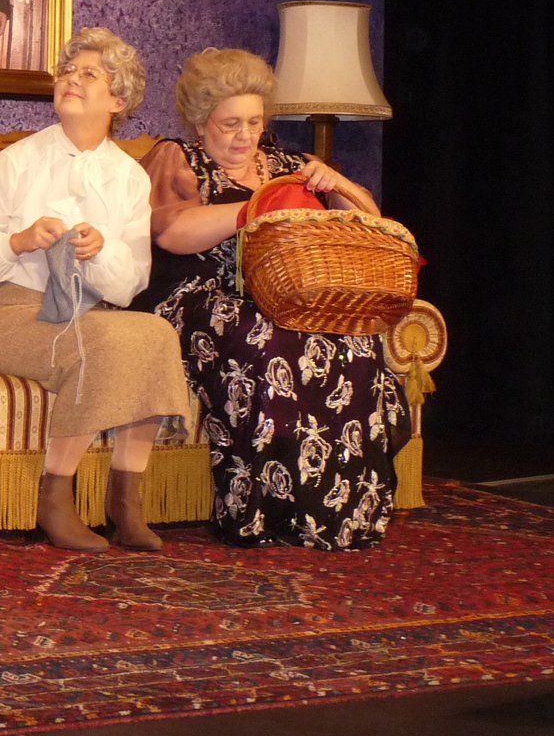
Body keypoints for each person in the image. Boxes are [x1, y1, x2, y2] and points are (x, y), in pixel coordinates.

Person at [135, 48, 408, 550]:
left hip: (286, 295)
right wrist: (255, 209)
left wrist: (339, 184)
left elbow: (372, 225)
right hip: (199, 296)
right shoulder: (179, 157)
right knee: (264, 334)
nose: (245, 136)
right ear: (201, 121)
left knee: (356, 339)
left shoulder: (290, 163)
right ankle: (266, 511)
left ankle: (341, 512)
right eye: (230, 124)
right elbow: (171, 233)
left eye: (254, 122)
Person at [0, 28, 189, 551]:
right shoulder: (16, 160)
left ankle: (126, 501)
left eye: (89, 74)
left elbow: (130, 285)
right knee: (100, 339)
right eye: (67, 71)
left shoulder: (129, 178)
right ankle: (55, 497)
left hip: (81, 309)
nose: (71, 80)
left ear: (118, 100)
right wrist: (17, 241)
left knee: (156, 334)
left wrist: (100, 250)